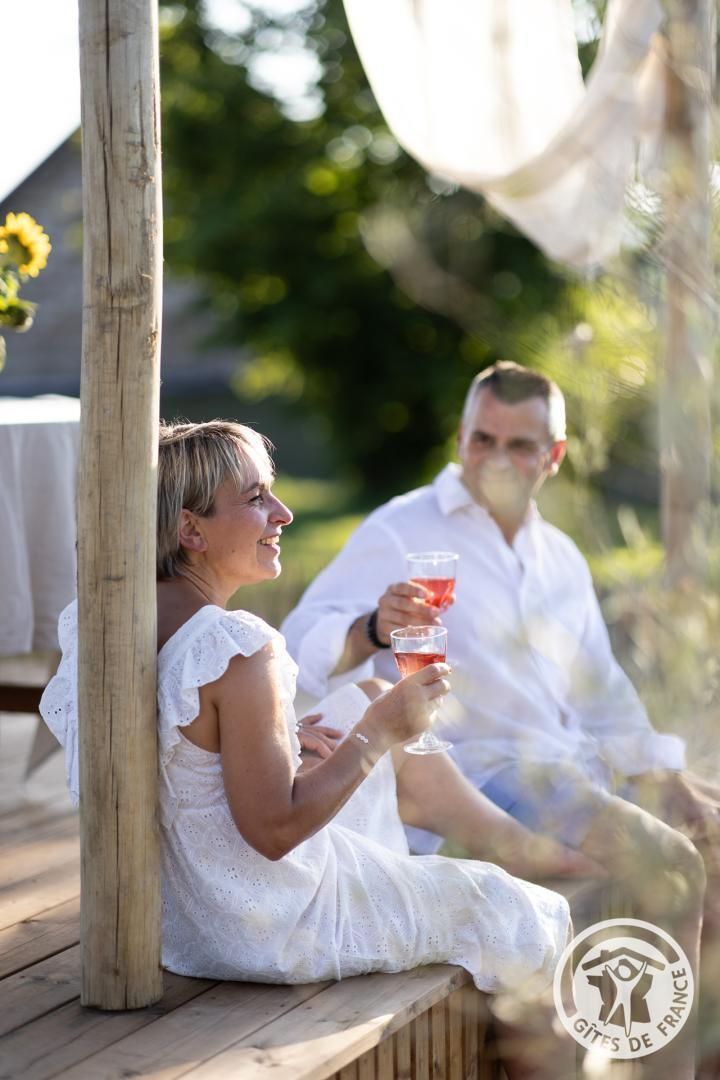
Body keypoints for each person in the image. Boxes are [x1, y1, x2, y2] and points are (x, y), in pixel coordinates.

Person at [40, 418, 588, 1079]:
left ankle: (488, 842)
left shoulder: (103, 619)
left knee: (360, 697)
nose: (284, 512)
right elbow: (275, 830)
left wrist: (270, 736)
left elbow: (176, 744)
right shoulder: (238, 649)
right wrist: (381, 731)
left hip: (181, 916)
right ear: (191, 531)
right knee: (520, 911)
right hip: (265, 925)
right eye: (256, 498)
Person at [282, 363, 713, 1075]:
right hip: (488, 776)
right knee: (672, 862)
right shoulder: (403, 528)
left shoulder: (559, 554)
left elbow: (603, 692)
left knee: (712, 840)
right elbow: (299, 641)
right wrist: (371, 627)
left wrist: (664, 774)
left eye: (520, 445)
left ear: (555, 455)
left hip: (575, 764)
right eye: (483, 439)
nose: (496, 459)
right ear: (460, 438)